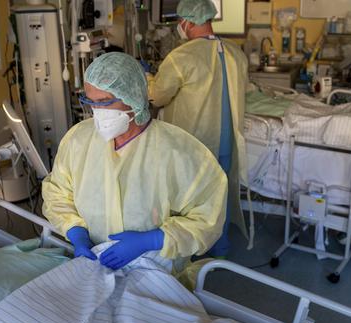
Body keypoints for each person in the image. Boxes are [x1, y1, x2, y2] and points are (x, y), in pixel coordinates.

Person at [42, 52, 228, 271]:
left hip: (155, 268)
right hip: (93, 262)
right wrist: (76, 234)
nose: (97, 112)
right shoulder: (78, 139)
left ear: (133, 97)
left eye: (105, 102)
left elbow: (207, 216)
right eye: (90, 101)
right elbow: (57, 193)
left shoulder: (179, 151)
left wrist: (153, 240)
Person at [147, 0, 249, 257]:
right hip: (226, 144)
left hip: (194, 145)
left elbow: (157, 96)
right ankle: (220, 247)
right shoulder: (236, 53)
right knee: (218, 197)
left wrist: (146, 77)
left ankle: (190, 253)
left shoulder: (182, 58)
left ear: (187, 22)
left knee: (190, 200)